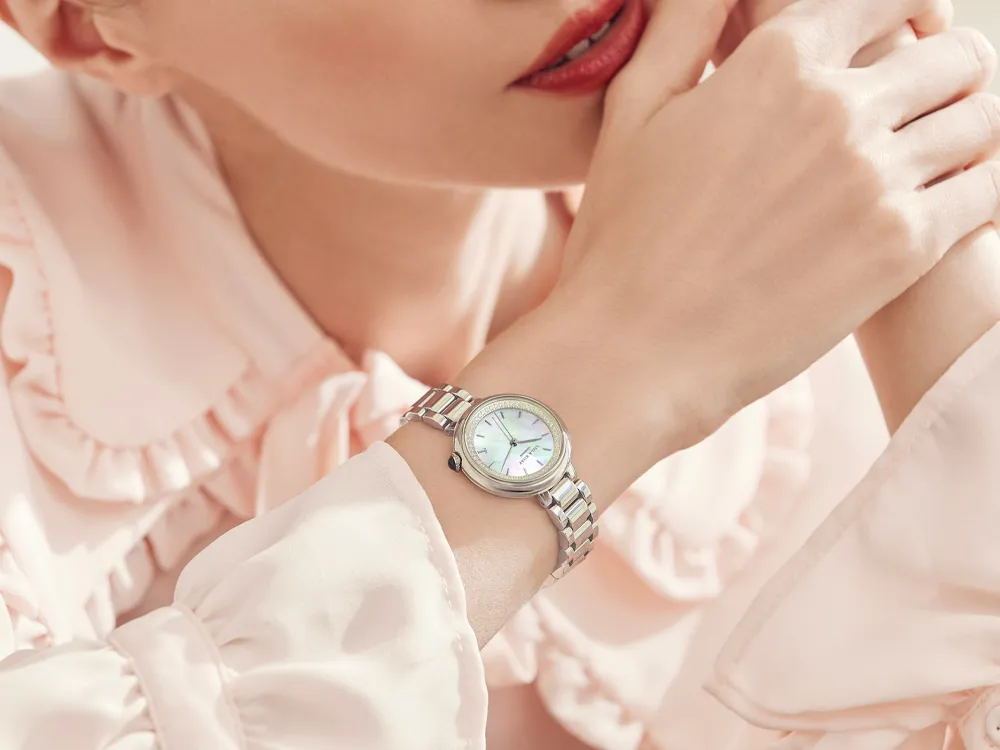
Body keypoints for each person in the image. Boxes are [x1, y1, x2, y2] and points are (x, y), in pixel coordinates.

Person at [0, 0, 996, 746]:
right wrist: (622, 357)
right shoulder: (37, 338)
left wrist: (929, 235)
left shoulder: (817, 199)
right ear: (92, 25)